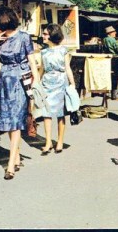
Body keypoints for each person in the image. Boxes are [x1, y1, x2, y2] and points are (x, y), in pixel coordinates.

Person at [0, 7, 39, 180]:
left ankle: (11, 164)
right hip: (5, 81)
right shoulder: (1, 40)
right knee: (8, 120)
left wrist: (37, 84)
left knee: (16, 122)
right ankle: (16, 157)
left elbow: (32, 61)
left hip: (20, 82)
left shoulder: (24, 37)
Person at [38, 24, 76, 155]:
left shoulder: (63, 50)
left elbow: (67, 68)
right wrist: (36, 83)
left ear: (52, 35)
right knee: (46, 114)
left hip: (60, 82)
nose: (43, 36)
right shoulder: (43, 51)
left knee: (60, 114)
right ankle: (48, 141)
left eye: (45, 34)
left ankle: (60, 141)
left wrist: (72, 84)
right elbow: (41, 69)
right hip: (47, 83)